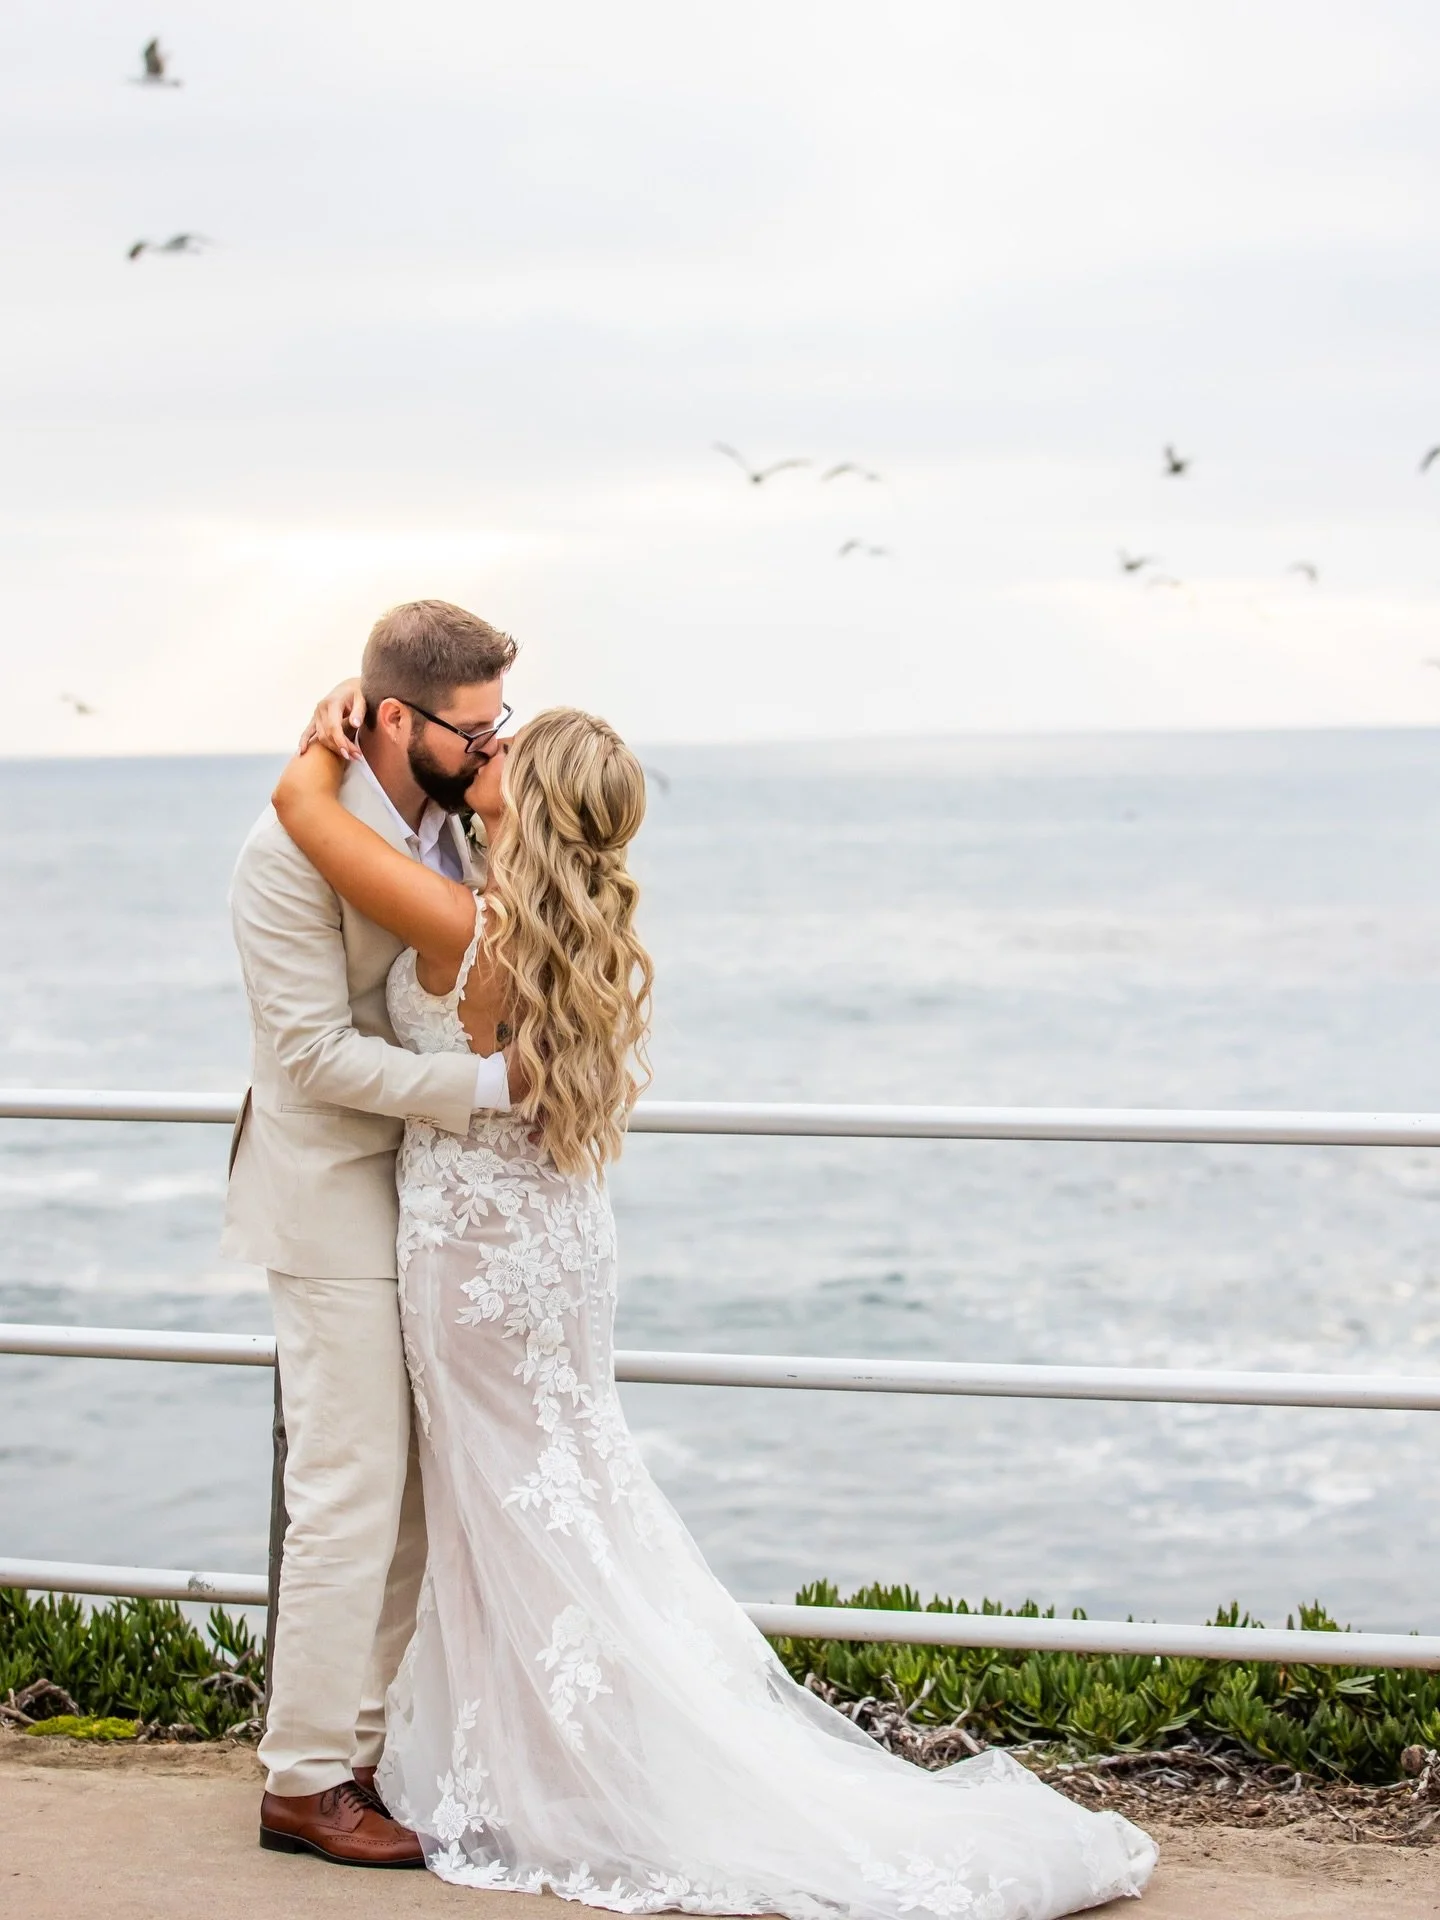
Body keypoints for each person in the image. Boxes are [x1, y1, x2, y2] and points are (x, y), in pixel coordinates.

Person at [269, 700, 1158, 1918]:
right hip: (560, 1244)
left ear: (527, 804)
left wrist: (335, 726)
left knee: (511, 1504)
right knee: (561, 1491)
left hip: (476, 1255)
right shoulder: (564, 928)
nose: (487, 748)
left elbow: (300, 813)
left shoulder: (462, 920)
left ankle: (552, 1770)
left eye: (506, 748)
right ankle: (552, 1750)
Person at [226, 599, 519, 1867]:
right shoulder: (291, 845)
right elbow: (310, 1054)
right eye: (475, 725)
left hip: (426, 1194)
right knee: (347, 1486)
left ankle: (357, 1752)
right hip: (331, 1182)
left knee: (406, 1495)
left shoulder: (453, 817)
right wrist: (489, 1093)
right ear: (396, 718)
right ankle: (298, 1782)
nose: (493, 744)